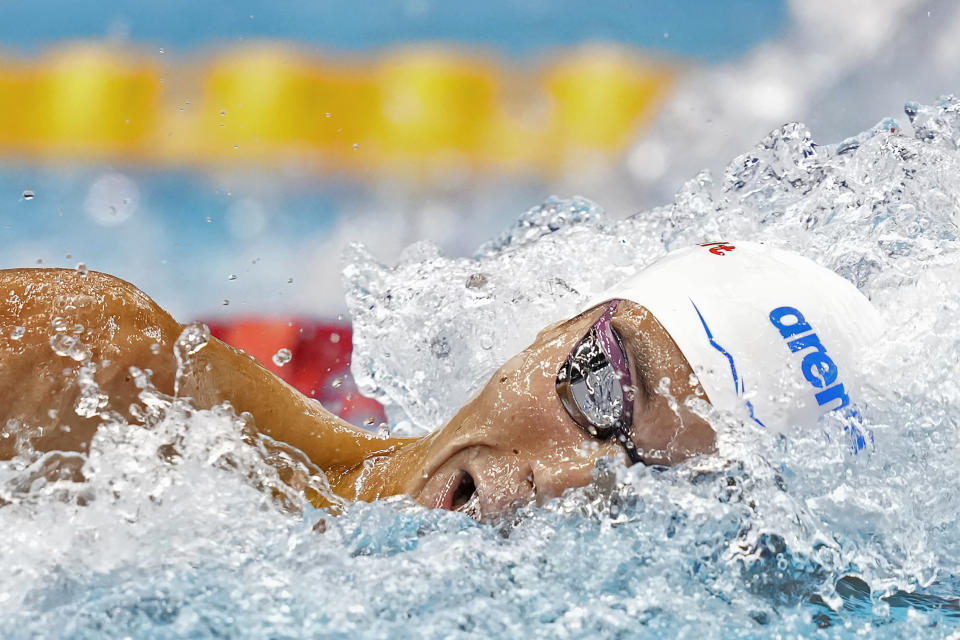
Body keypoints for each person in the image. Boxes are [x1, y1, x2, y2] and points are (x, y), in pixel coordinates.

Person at [0, 241, 882, 520]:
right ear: (554, 332)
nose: (574, 476)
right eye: (606, 388)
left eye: (657, 480)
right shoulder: (92, 373)